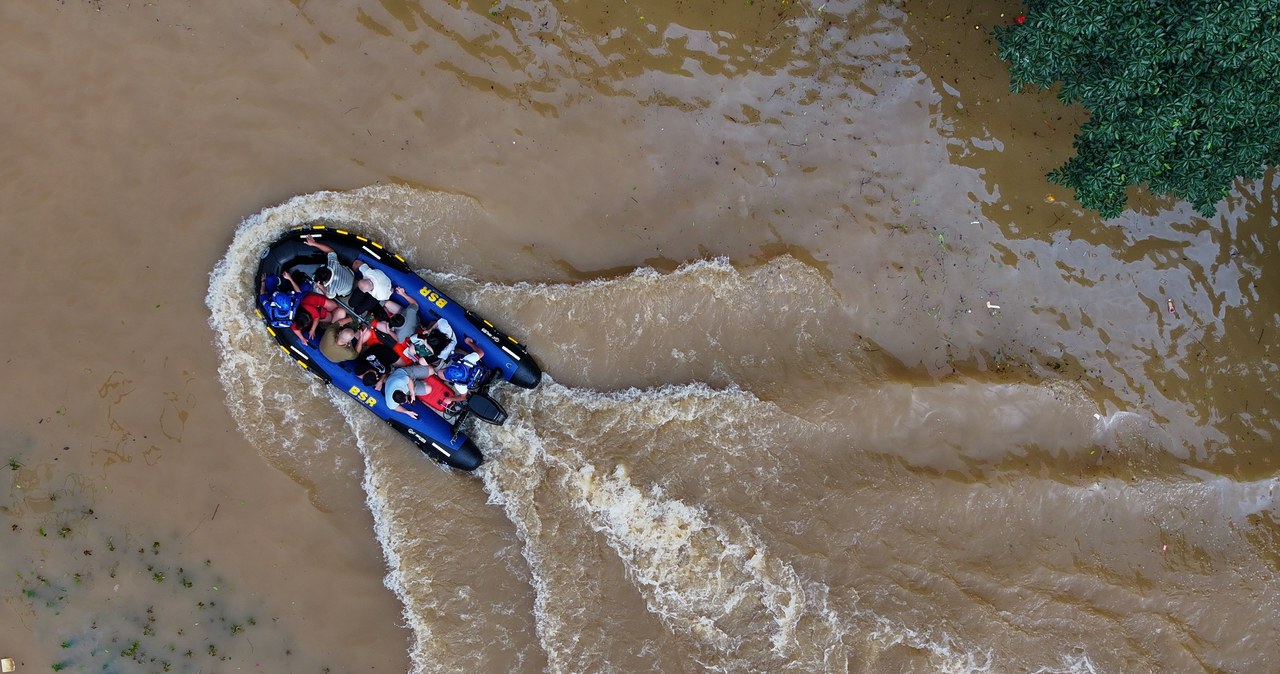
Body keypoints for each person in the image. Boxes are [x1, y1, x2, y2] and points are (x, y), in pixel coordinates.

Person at [303, 235, 357, 299]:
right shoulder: (333, 264)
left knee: (316, 289)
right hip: (351, 275)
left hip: (347, 291)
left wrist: (321, 287)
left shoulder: (331, 288)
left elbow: (329, 296)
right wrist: (314, 243)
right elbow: (330, 251)